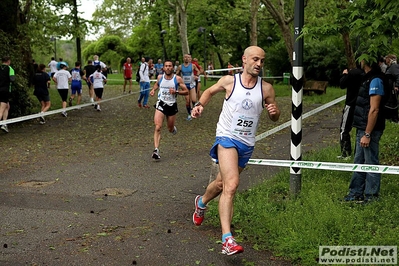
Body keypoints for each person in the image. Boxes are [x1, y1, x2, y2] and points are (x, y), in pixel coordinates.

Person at [190, 46, 280, 255]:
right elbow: (209, 91)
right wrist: (200, 105)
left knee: (222, 183)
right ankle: (227, 240)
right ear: (245, 60)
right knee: (232, 185)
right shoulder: (230, 81)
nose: (259, 64)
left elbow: (274, 115)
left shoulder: (266, 88)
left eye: (262, 61)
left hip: (247, 144)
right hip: (226, 138)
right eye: (255, 59)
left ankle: (201, 202)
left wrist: (274, 112)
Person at [343, 56, 388, 204]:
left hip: (370, 129)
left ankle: (371, 197)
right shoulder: (367, 78)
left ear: (366, 61)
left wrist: (368, 133)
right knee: (359, 161)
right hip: (362, 127)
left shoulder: (376, 80)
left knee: (370, 162)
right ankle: (355, 193)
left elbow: (374, 109)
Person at [149, 59, 189, 160]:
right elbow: (157, 85)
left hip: (172, 105)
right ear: (163, 68)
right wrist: (153, 90)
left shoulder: (178, 79)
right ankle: (156, 150)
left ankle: (172, 129)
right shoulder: (159, 77)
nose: (168, 67)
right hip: (161, 103)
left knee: (170, 128)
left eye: (170, 66)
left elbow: (186, 91)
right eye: (166, 66)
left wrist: (176, 92)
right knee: (158, 127)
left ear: (173, 68)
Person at [338, 67, 363, 159]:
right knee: (360, 130)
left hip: (351, 104)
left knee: (344, 129)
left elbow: (342, 84)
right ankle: (359, 154)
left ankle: (346, 153)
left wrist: (344, 74)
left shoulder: (353, 73)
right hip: (362, 105)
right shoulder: (367, 74)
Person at [176, 54, 201, 120]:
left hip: (192, 85)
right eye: (185, 57)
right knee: (187, 101)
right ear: (183, 58)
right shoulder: (180, 67)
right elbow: (176, 74)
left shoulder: (193, 66)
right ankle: (190, 114)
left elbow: (198, 71)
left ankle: (195, 109)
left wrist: (197, 76)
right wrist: (178, 81)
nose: (186, 58)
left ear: (190, 58)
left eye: (188, 57)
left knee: (194, 100)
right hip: (184, 85)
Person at [0, 56, 15, 133]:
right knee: (1, 109)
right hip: (5, 90)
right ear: (8, 61)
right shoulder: (10, 69)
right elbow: (12, 79)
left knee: (7, 106)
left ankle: (4, 124)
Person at [383, 54, 399, 123]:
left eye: (386, 59)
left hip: (392, 88)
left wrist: (397, 86)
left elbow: (398, 76)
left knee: (393, 102)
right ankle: (389, 116)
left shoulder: (394, 67)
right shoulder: (390, 67)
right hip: (389, 88)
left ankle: (394, 117)